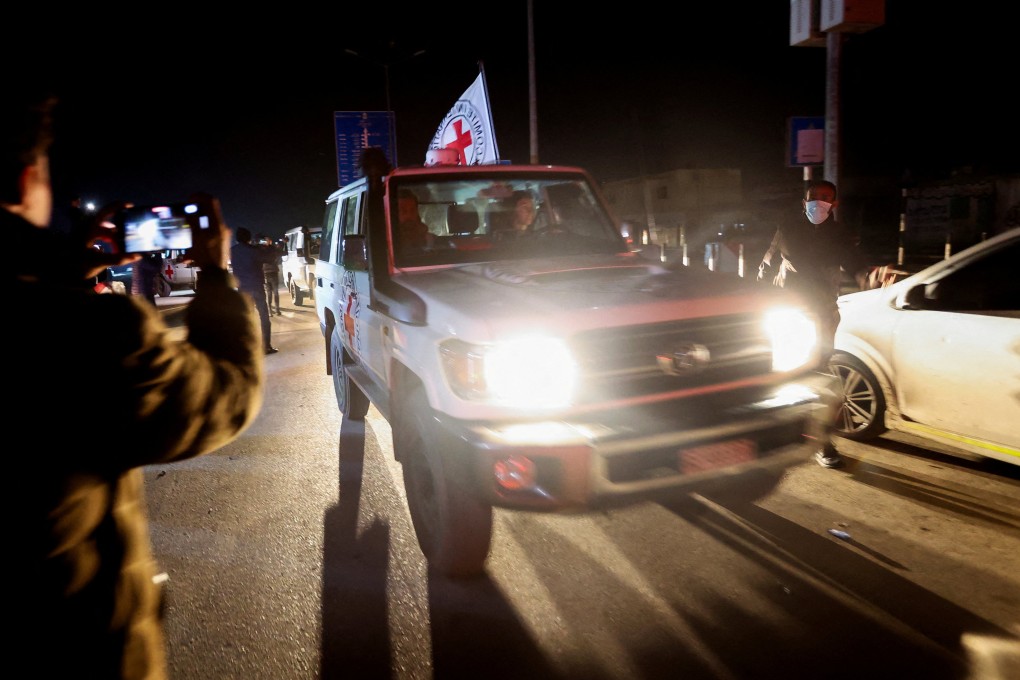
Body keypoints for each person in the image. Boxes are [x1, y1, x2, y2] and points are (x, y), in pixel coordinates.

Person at [7, 89, 265, 679]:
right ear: (27, 182)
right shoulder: (88, 336)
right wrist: (217, 278)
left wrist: (64, 270)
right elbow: (225, 396)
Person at [758, 179, 897, 468]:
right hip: (789, 311)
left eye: (825, 198)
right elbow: (767, 264)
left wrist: (873, 275)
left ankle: (821, 441)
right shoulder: (788, 228)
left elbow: (855, 262)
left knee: (818, 375)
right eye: (813, 197)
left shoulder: (839, 234)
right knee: (782, 373)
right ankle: (772, 431)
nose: (818, 202)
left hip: (822, 313)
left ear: (834, 204)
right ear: (803, 201)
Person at [232, 226, 280, 353]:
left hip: (242, 289)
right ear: (249, 238)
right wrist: (269, 246)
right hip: (256, 288)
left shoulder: (233, 251)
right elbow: (269, 259)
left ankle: (249, 347)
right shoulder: (253, 250)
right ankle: (266, 347)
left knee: (247, 319)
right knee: (264, 317)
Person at [396, 189, 434, 253]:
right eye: (403, 211)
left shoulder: (430, 239)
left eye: (412, 210)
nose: (409, 215)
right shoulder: (387, 241)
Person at [262, 235, 283, 316]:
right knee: (274, 292)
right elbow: (281, 253)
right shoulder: (273, 249)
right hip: (272, 272)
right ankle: (276, 310)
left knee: (270, 292)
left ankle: (271, 310)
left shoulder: (261, 250)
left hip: (267, 273)